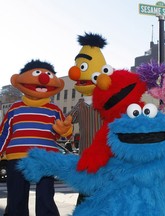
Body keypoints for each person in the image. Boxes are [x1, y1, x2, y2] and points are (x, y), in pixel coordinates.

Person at [0, 59, 73, 216]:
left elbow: (61, 132)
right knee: (16, 196)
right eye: (37, 74)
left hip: (44, 158)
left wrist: (66, 130)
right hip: (17, 157)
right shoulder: (15, 108)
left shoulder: (54, 110)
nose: (43, 79)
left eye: (48, 75)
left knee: (45, 196)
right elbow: (5, 132)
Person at [67, 32, 107, 205]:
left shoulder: (107, 101)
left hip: (107, 158)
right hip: (86, 157)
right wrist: (63, 125)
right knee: (85, 195)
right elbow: (68, 119)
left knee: (105, 194)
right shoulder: (81, 104)